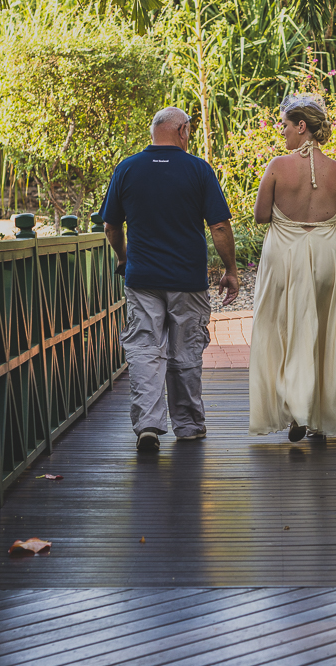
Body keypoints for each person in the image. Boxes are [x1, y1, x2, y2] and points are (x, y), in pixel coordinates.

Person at [101, 107, 240, 453]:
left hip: (143, 277)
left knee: (145, 349)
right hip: (187, 279)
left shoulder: (127, 168)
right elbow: (220, 226)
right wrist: (231, 270)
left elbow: (110, 225)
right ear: (182, 131)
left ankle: (148, 423)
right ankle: (188, 425)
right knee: (185, 350)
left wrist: (123, 257)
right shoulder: (197, 169)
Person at [248, 93, 336, 441]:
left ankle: (296, 409)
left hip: (284, 254)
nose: (282, 133)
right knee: (322, 332)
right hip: (326, 256)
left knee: (281, 330)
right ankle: (319, 416)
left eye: (285, 126)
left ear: (302, 126)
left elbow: (261, 215)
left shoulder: (278, 166)